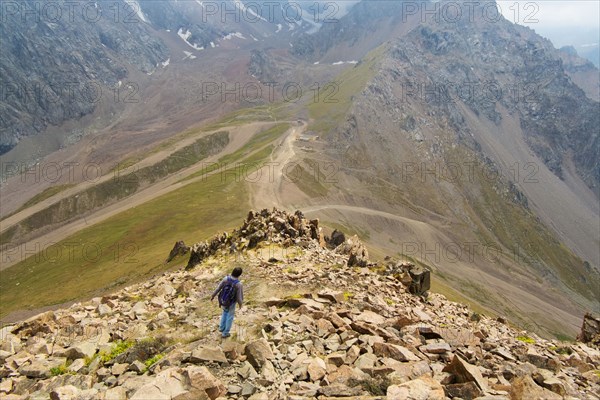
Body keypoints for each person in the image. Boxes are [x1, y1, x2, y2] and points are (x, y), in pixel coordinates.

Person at [211, 267, 243, 338]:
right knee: (230, 316)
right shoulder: (238, 284)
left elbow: (218, 288)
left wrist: (213, 295)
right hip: (231, 303)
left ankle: (221, 328)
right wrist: (240, 304)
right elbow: (239, 297)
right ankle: (225, 333)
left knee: (224, 313)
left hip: (224, 300)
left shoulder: (226, 279)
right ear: (239, 275)